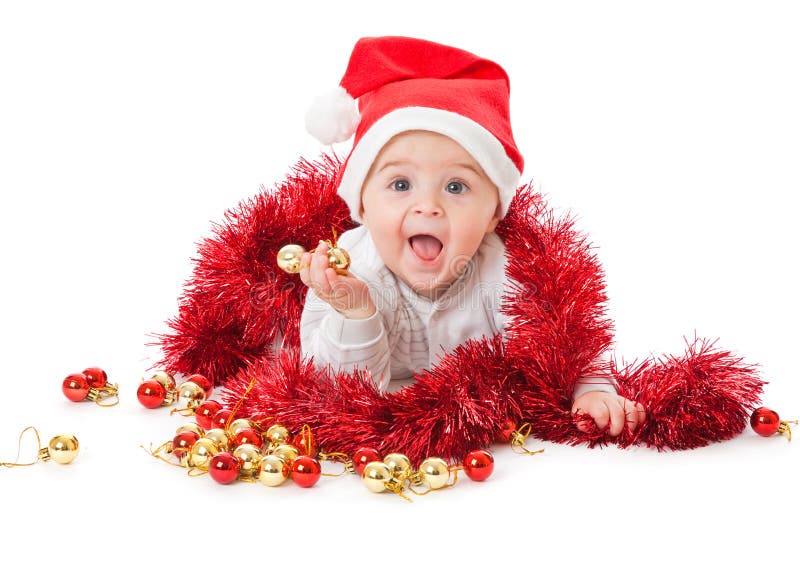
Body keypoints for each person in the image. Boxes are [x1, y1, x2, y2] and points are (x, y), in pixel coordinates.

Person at [299, 36, 645, 437]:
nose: (427, 206)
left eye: (456, 187)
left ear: (493, 214)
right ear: (361, 205)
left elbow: (565, 343)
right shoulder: (348, 273)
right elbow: (333, 392)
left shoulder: (507, 274)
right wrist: (355, 313)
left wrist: (592, 391)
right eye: (399, 184)